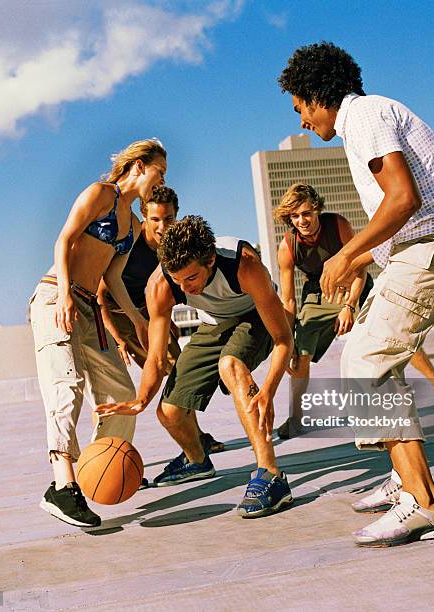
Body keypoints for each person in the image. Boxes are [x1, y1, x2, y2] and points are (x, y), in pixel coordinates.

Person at [279, 42, 434, 546]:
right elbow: (396, 222)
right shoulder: (365, 120)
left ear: (316, 95)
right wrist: (359, 260)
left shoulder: (364, 115)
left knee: (368, 359)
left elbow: (403, 199)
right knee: (369, 351)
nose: (303, 120)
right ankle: (404, 479)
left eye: (300, 107)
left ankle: (427, 503)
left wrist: (344, 256)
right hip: (424, 244)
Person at [96, 215, 295, 518]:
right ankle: (197, 459)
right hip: (212, 325)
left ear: (211, 259)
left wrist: (267, 390)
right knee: (170, 413)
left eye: (191, 278)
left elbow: (283, 340)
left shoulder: (244, 264)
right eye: (178, 280)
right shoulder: (161, 284)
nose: (185, 288)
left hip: (256, 317)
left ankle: (270, 475)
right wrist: (141, 399)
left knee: (230, 365)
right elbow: (157, 356)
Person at [30, 138, 167, 528]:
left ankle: (97, 463)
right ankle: (62, 487)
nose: (162, 179)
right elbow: (65, 240)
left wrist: (136, 319)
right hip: (55, 297)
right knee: (66, 385)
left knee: (122, 394)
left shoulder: (134, 223)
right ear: (139, 166)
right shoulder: (100, 194)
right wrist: (62, 296)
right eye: (160, 170)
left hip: (90, 307)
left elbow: (113, 276)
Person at [274, 183, 434, 440]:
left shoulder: (338, 225)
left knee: (392, 333)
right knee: (300, 354)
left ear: (316, 210)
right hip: (318, 293)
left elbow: (360, 267)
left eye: (306, 213)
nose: (302, 220)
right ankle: (296, 419)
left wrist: (349, 305)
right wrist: (286, 339)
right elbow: (288, 301)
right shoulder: (287, 246)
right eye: (295, 216)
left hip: (353, 281)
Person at [97, 185, 224, 455]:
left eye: (168, 219)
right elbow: (101, 293)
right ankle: (194, 440)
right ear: (144, 217)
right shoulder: (130, 244)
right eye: (155, 219)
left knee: (178, 371)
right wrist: (119, 338)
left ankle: (196, 436)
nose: (162, 226)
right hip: (118, 314)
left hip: (147, 310)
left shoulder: (173, 245)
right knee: (163, 369)